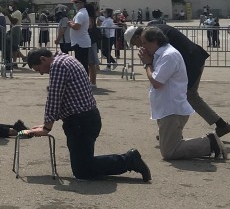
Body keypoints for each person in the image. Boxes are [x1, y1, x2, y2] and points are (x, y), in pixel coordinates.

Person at [23, 48, 151, 181]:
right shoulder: (66, 58)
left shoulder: (57, 66)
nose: (42, 73)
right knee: (83, 165)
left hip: (80, 122)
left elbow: (54, 98)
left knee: (83, 170)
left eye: (39, 69)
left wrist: (46, 128)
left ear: (44, 59)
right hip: (86, 119)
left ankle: (128, 160)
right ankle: (127, 160)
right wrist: (46, 124)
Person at [135, 27, 227, 161]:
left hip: (172, 110)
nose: (142, 47)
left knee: (170, 152)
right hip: (168, 108)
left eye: (144, 43)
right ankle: (209, 142)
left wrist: (147, 64)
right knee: (170, 147)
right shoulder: (163, 54)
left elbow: (156, 82)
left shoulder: (168, 55)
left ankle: (210, 143)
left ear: (154, 41)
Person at [68, 0, 91, 72]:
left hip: (80, 43)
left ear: (82, 3)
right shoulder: (82, 13)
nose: (75, 4)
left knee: (81, 64)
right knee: (83, 63)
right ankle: (85, 81)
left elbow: (77, 27)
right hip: (81, 42)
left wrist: (70, 24)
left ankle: (83, 81)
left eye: (76, 3)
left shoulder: (80, 14)